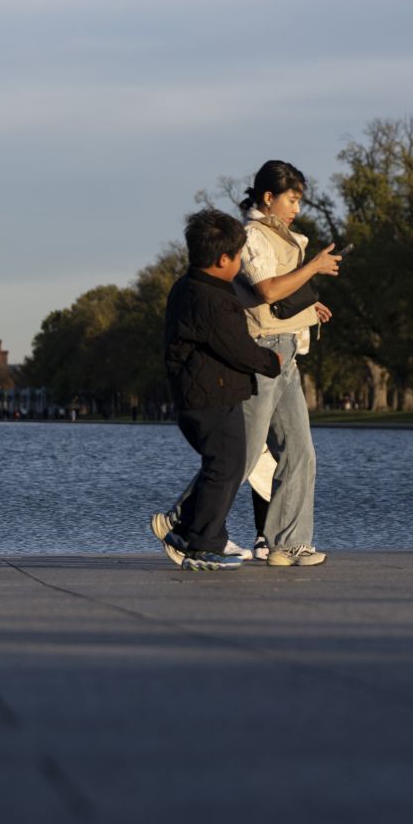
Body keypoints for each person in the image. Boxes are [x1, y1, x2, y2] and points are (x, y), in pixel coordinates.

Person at [150, 208, 284, 571]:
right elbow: (236, 348)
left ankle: (184, 530)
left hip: (198, 396)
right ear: (223, 259)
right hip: (211, 396)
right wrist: (270, 361)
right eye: (239, 256)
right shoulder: (215, 299)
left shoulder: (186, 287)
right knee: (226, 466)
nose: (241, 262)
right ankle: (205, 544)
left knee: (224, 464)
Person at [231, 161, 341, 567]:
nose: (296, 208)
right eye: (291, 200)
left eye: (298, 200)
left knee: (300, 451)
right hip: (264, 351)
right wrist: (313, 268)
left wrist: (308, 305)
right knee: (242, 454)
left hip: (287, 351)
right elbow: (265, 290)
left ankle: (286, 543)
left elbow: (283, 294)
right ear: (268, 198)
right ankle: (183, 523)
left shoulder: (282, 237)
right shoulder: (250, 236)